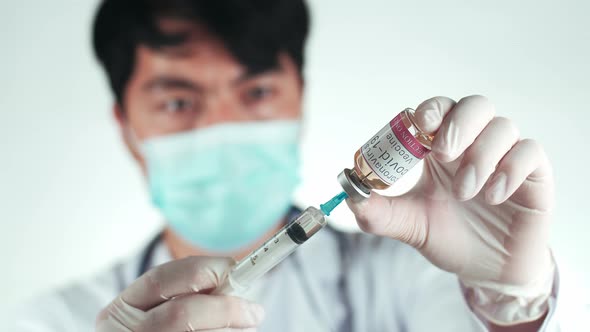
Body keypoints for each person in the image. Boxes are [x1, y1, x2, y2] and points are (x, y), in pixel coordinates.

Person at [7, 0, 569, 331]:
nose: (219, 130)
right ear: (126, 125)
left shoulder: (404, 282)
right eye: (177, 102)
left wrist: (507, 301)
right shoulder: (58, 320)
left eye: (255, 93)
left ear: (300, 101)